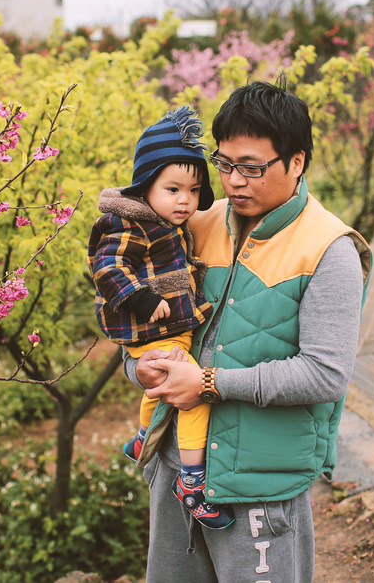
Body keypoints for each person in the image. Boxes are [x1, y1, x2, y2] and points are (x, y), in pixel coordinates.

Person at [124, 78, 373, 582]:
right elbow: (142, 319)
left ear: (296, 161)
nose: (234, 181)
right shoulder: (194, 224)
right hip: (176, 467)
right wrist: (140, 367)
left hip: (261, 486)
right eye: (225, 164)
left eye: (252, 168)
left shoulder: (330, 250)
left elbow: (324, 375)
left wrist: (209, 384)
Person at [88, 106, 234, 530]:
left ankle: (141, 440)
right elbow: (106, 268)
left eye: (193, 190)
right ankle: (192, 482)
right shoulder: (130, 224)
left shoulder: (168, 223)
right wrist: (142, 298)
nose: (184, 200)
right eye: (172, 189)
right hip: (150, 326)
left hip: (166, 329)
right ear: (146, 186)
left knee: (159, 390)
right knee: (193, 397)